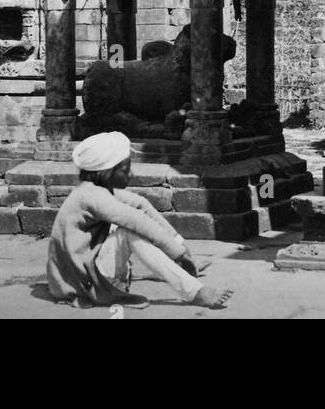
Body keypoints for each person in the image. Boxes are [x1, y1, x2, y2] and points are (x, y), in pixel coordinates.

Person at [46, 131, 232, 309]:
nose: (131, 174)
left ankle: (175, 266)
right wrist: (179, 254)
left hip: (86, 272)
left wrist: (180, 246)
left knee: (136, 224)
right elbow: (137, 221)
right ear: (105, 173)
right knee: (129, 233)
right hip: (81, 283)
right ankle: (194, 292)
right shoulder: (92, 197)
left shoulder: (93, 189)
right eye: (125, 170)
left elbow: (140, 205)